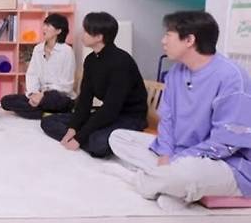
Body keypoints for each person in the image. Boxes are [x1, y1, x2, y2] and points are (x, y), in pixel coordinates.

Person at [108, 11, 251, 209]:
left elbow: (226, 143)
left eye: (168, 35)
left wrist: (177, 160)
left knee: (187, 171)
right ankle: (169, 185)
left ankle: (143, 181)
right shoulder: (176, 72)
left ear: (189, 40)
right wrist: (165, 154)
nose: (163, 41)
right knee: (119, 137)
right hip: (179, 151)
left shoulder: (232, 77)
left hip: (224, 163)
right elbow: (167, 120)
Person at [40, 12, 147, 157]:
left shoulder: (121, 62)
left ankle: (90, 139)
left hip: (129, 117)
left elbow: (110, 110)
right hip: (106, 114)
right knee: (49, 122)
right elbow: (85, 100)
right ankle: (88, 137)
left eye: (86, 31)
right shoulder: (91, 60)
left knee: (98, 143)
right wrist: (73, 128)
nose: (81, 34)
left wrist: (79, 138)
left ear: (99, 37)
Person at [0, 13, 75, 120]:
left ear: (58, 31)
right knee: (6, 101)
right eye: (44, 25)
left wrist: (43, 95)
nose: (44, 28)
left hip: (59, 96)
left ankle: (38, 110)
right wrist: (33, 93)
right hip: (39, 94)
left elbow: (66, 86)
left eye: (48, 26)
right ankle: (45, 113)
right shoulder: (38, 49)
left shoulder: (67, 51)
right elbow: (32, 74)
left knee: (53, 99)